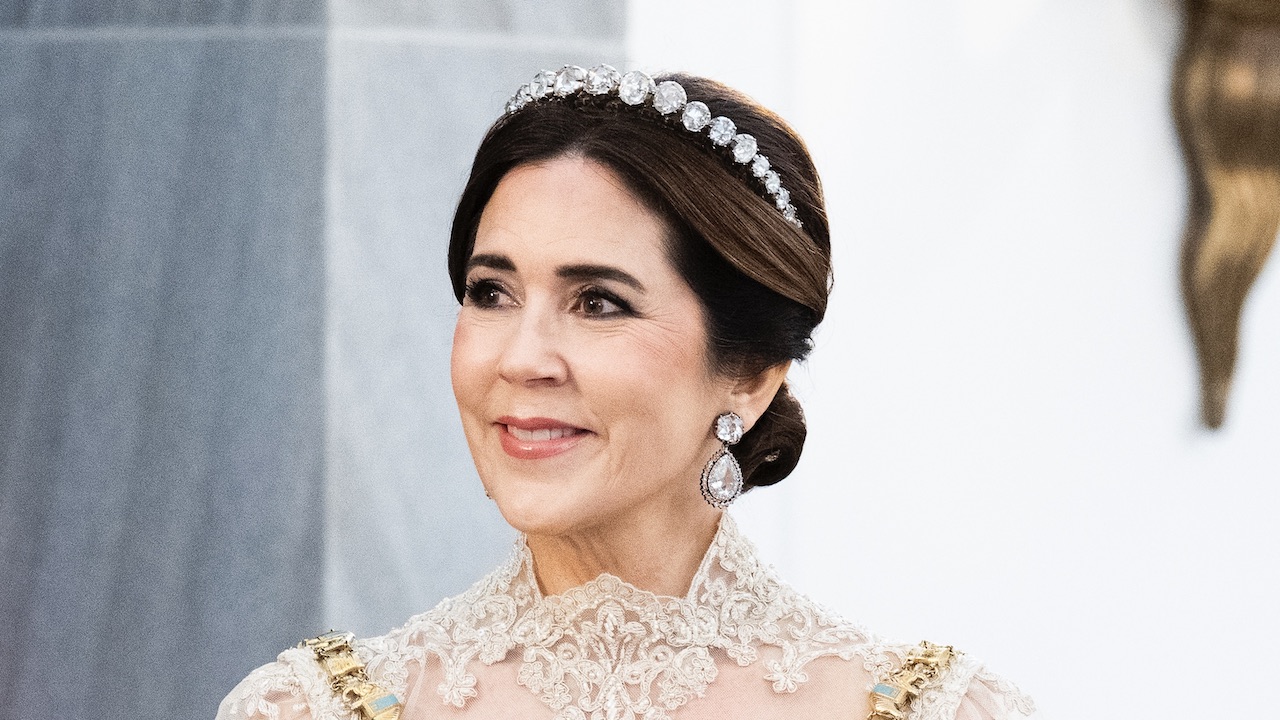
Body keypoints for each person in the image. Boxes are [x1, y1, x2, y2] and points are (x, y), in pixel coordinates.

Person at [217, 64, 1037, 720]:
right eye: (491, 292)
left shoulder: (925, 709)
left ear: (751, 373)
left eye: (598, 302)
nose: (521, 358)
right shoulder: (314, 708)